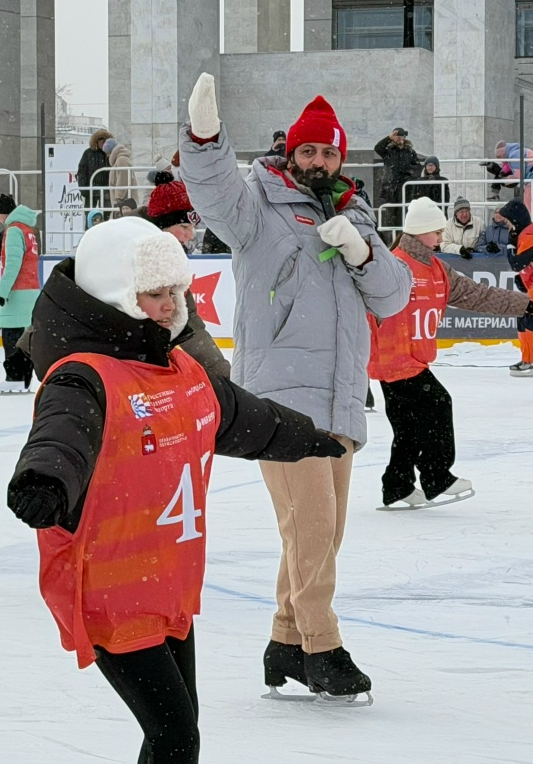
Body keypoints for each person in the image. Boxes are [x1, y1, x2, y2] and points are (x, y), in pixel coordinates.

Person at [7, 218, 346, 759]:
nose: (170, 305)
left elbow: (240, 417)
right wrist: (45, 480)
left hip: (166, 582)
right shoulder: (84, 377)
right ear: (117, 296)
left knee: (179, 732)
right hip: (110, 587)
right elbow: (62, 437)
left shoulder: (179, 369)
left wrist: (307, 436)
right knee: (174, 734)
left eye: (175, 292)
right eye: (154, 293)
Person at [179, 74, 410, 703]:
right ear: (291, 152)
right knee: (310, 528)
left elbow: (393, 298)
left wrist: (363, 252)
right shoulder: (258, 206)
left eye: (329, 152)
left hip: (340, 398)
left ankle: (284, 641)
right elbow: (213, 190)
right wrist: (205, 138)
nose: (318, 161)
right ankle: (322, 648)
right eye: (308, 151)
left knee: (322, 533)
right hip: (280, 403)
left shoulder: (356, 212)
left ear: (341, 156)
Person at [369, 198, 529, 509]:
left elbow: (476, 294)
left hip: (411, 358)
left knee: (408, 428)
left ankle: (397, 486)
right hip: (394, 358)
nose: (441, 237)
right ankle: (436, 476)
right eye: (436, 232)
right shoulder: (395, 265)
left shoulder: (438, 268)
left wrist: (522, 304)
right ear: (419, 232)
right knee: (438, 403)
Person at [146, 172, 230, 382]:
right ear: (162, 226)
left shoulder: (171, 262)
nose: (191, 235)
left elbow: (190, 324)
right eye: (184, 227)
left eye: (192, 227)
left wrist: (221, 373)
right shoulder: (133, 257)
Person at [0, 195, 40, 395]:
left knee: (11, 337)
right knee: (24, 339)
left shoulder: (13, 230)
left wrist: (3, 292)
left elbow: (12, 264)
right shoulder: (28, 229)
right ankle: (24, 378)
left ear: (4, 213)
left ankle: (14, 378)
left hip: (17, 291)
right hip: (31, 290)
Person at [500, 199, 533, 376]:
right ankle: (528, 358)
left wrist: (510, 246)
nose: (506, 224)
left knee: (525, 315)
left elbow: (517, 263)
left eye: (507, 220)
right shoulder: (526, 232)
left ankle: (530, 360)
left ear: (515, 219)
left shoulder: (528, 236)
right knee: (524, 315)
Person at [374, 127, 422, 223]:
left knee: (404, 213)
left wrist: (409, 175)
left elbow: (418, 168)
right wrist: (389, 138)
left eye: (401, 136)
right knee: (391, 214)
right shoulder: (389, 151)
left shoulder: (410, 152)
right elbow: (377, 148)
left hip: (405, 187)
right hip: (391, 187)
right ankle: (393, 234)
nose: (399, 139)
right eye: (397, 136)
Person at [76, 128, 114, 211]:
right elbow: (82, 172)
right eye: (100, 139)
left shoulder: (111, 154)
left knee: (108, 214)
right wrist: (84, 190)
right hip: (90, 191)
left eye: (105, 140)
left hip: (107, 191)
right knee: (90, 216)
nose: (102, 142)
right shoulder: (88, 153)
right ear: (96, 141)